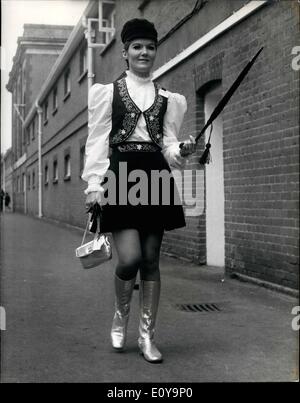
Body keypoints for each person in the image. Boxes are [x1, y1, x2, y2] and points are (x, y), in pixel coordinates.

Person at [82, 18, 196, 363]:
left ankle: (147, 336)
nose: (144, 52)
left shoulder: (168, 99)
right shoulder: (107, 93)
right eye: (137, 47)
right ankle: (120, 317)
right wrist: (93, 185)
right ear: (125, 53)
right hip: (121, 176)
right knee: (128, 258)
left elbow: (168, 147)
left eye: (149, 46)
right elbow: (97, 142)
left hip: (155, 177)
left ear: (155, 51)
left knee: (150, 261)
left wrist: (183, 152)